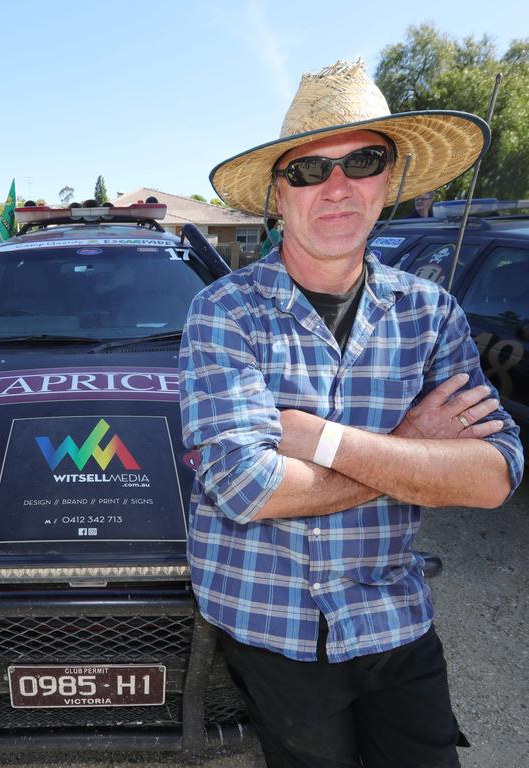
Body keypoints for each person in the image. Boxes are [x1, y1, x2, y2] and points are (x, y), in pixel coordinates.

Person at [181, 59, 523, 767]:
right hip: (272, 624)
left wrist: (316, 438)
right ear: (279, 194)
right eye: (309, 170)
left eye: (362, 161)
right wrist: (414, 451)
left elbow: (492, 479)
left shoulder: (431, 312)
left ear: (389, 180)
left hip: (393, 616)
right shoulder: (223, 312)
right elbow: (248, 488)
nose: (336, 187)